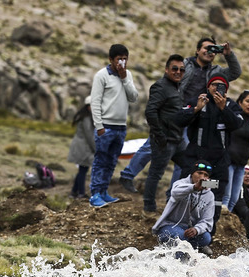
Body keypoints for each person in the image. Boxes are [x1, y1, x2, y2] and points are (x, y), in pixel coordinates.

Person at [119, 36, 242, 193]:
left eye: (213, 50)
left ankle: (174, 192)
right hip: (176, 112)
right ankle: (128, 175)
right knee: (153, 145)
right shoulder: (184, 65)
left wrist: (228, 54)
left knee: (184, 158)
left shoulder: (216, 71)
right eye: (206, 48)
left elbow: (236, 72)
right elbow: (169, 78)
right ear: (197, 50)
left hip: (196, 118)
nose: (209, 52)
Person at [177, 75, 243, 232]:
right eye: (214, 85)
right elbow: (179, 119)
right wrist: (196, 110)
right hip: (195, 160)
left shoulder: (231, 105)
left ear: (226, 89)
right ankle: (180, 229)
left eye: (221, 86)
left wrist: (223, 109)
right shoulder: (198, 101)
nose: (216, 88)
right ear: (208, 87)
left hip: (218, 164)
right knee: (187, 191)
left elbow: (237, 124)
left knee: (214, 196)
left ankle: (207, 235)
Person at [88, 43, 139, 208]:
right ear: (111, 59)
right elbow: (95, 102)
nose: (122, 63)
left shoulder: (127, 75)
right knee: (100, 160)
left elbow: (133, 97)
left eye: (125, 59)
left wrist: (124, 78)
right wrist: (99, 125)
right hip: (106, 126)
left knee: (111, 161)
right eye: (119, 59)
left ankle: (103, 192)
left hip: (120, 126)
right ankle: (95, 193)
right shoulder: (101, 76)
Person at [142, 54, 188, 213]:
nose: (178, 72)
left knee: (189, 166)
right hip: (165, 140)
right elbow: (150, 112)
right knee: (156, 173)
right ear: (167, 69)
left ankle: (176, 201)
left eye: (182, 69)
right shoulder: (160, 86)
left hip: (178, 139)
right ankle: (148, 207)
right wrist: (159, 135)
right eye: (174, 69)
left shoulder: (178, 87)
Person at [152, 160, 216, 255]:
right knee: (180, 236)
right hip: (170, 226)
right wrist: (193, 187)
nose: (202, 177)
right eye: (199, 173)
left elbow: (207, 221)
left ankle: (184, 250)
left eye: (206, 175)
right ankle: (177, 259)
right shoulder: (180, 183)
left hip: (190, 229)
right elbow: (174, 193)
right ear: (192, 173)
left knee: (206, 238)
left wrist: (196, 230)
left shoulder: (209, 195)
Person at [224, 90, 249, 212]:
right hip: (228, 162)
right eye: (247, 101)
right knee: (226, 196)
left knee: (234, 198)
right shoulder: (234, 116)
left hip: (241, 165)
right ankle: (219, 223)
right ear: (240, 102)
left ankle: (226, 222)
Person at [67, 96, 95, 199]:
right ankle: (81, 193)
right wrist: (95, 149)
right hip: (83, 147)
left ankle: (74, 192)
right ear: (88, 107)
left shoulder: (84, 117)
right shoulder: (87, 119)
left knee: (82, 169)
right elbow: (89, 135)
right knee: (83, 170)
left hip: (81, 146)